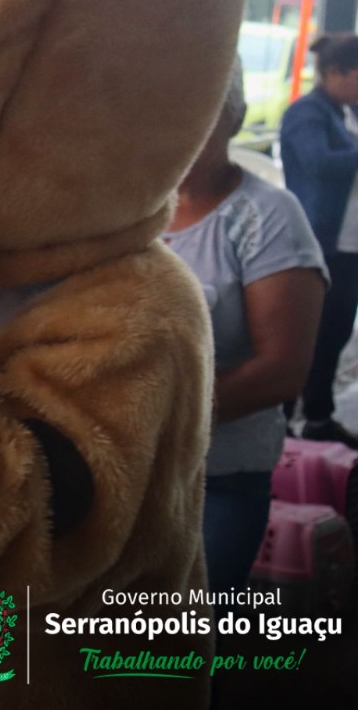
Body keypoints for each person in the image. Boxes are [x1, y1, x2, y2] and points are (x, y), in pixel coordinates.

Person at [164, 60, 326, 591]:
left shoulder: (267, 215)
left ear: (232, 119)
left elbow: (281, 371)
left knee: (177, 645)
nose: (179, 127)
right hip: (122, 482)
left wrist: (149, 421)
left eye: (201, 111)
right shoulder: (120, 212)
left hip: (218, 481)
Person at [279, 32, 358, 448]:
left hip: (346, 247)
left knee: (334, 333)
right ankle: (284, 422)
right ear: (335, 73)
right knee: (306, 336)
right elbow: (319, 166)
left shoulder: (345, 113)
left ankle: (318, 416)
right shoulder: (307, 114)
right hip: (318, 245)